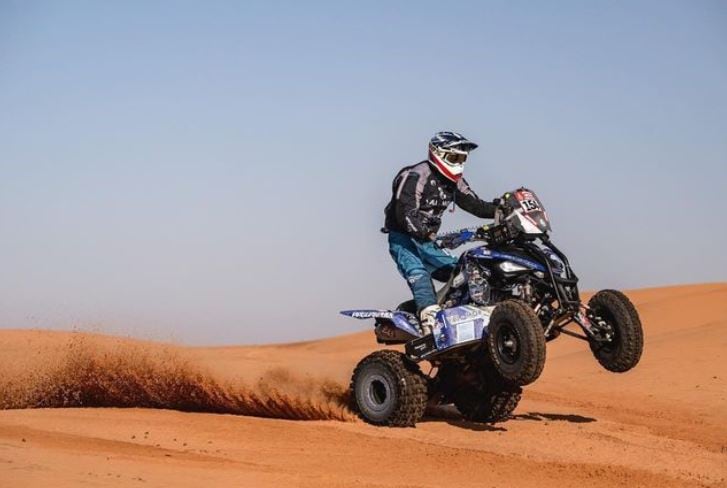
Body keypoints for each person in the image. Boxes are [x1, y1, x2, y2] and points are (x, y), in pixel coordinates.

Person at [382, 131, 499, 335]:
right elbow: (404, 213)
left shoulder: (455, 182)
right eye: (455, 157)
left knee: (462, 272)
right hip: (403, 239)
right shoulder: (416, 175)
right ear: (438, 154)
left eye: (462, 158)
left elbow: (476, 206)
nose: (459, 163)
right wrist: (427, 234)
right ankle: (429, 322)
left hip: (427, 241)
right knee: (417, 273)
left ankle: (466, 311)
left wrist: (501, 209)